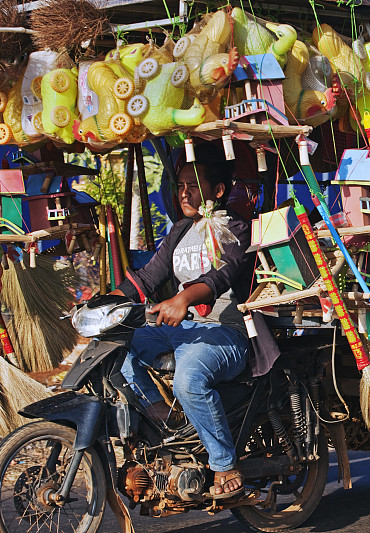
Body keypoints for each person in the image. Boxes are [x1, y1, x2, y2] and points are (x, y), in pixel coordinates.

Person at [112, 143, 254, 499]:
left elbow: (222, 276)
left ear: (217, 191)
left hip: (227, 334)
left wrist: (182, 299)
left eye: (193, 184)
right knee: (119, 351)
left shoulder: (235, 226)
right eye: (180, 186)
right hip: (184, 331)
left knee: (188, 380)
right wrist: (103, 304)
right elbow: (146, 278)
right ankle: (172, 422)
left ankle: (224, 464)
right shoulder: (178, 231)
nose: (184, 192)